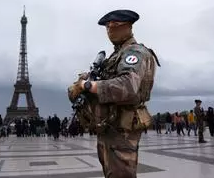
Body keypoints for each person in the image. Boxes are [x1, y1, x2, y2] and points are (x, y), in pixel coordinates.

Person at [68, 9, 160, 178]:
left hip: (121, 131)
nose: (110, 30)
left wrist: (87, 85)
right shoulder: (117, 55)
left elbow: (127, 86)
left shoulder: (134, 53)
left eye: (115, 26)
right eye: (107, 27)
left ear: (128, 26)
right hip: (111, 127)